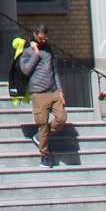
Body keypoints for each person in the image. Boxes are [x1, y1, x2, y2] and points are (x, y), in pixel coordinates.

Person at [17, 26, 66, 164]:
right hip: (38, 93)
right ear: (35, 34)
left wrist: (60, 91)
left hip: (53, 91)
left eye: (45, 37)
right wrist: (36, 53)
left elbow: (54, 71)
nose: (44, 40)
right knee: (42, 124)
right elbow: (25, 70)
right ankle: (45, 156)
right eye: (41, 37)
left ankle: (40, 136)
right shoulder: (26, 52)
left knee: (61, 118)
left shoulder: (49, 50)